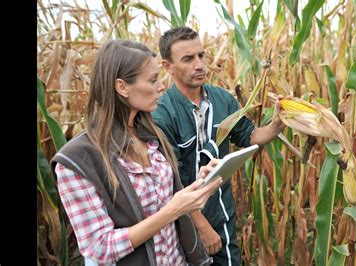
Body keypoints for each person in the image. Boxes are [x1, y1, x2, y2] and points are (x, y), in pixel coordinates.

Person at [51, 39, 223, 265]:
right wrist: (172, 211)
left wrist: (200, 184)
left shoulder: (151, 135)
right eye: (152, 80)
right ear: (122, 87)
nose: (161, 86)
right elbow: (99, 248)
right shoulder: (76, 161)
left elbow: (166, 196)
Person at [152, 27, 286, 265]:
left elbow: (249, 135)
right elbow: (169, 181)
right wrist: (201, 225)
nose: (199, 64)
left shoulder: (222, 100)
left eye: (201, 56)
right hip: (181, 220)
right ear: (167, 66)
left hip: (221, 211)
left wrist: (276, 125)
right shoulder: (163, 115)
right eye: (188, 59)